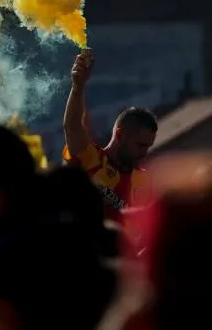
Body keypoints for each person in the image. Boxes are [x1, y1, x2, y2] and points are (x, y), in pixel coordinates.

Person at [63, 50, 156, 221]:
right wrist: (78, 87)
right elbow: (73, 127)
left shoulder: (145, 181)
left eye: (148, 146)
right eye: (140, 145)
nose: (145, 152)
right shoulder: (92, 159)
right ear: (120, 135)